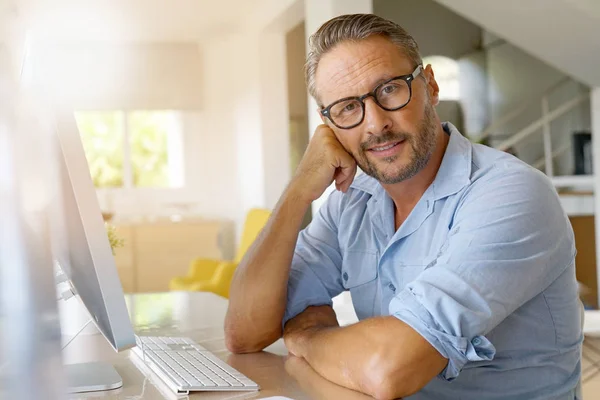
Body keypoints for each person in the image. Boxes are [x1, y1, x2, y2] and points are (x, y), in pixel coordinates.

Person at [224, 13, 582, 400]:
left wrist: (309, 336)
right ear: (329, 126)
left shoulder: (510, 193)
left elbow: (387, 369)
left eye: (390, 89)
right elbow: (244, 332)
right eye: (347, 108)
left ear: (429, 84)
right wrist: (296, 193)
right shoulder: (353, 202)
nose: (375, 123)